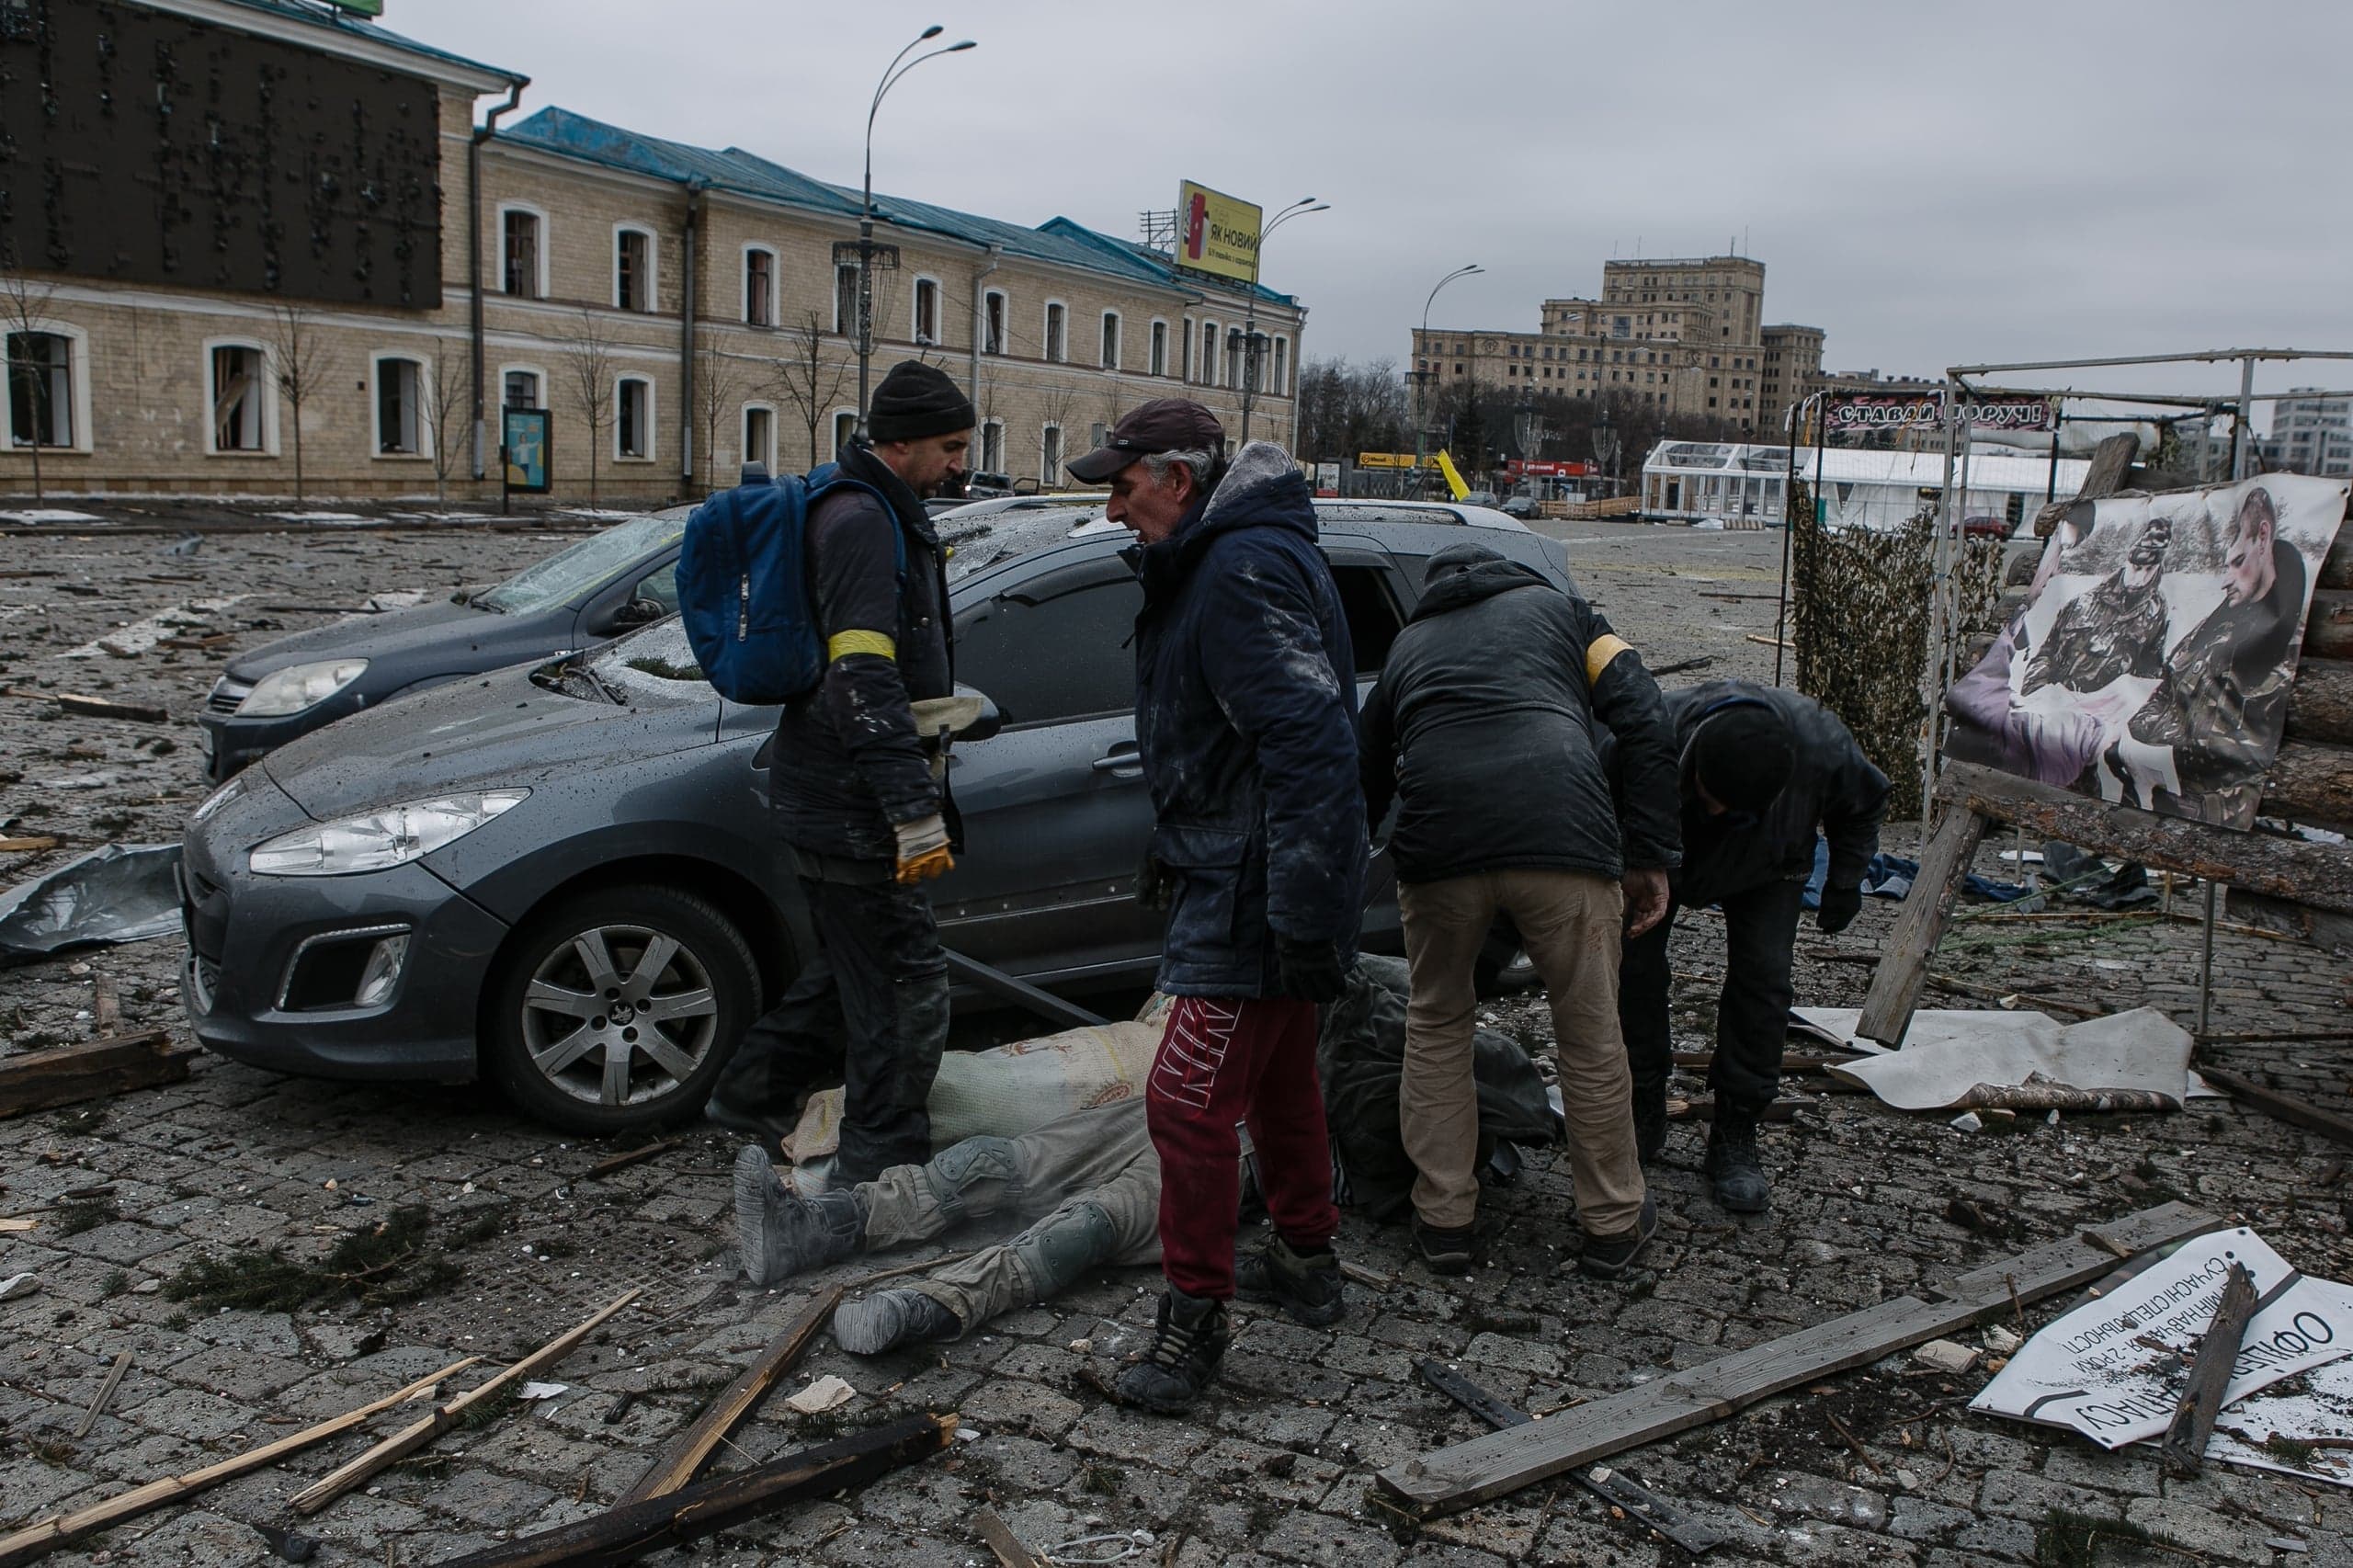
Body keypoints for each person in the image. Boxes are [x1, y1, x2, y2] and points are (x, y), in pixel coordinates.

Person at [1069, 400, 1368, 1414]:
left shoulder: (1237, 570)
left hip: (1254, 884)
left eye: (1122, 486)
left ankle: (1193, 1324)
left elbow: (1310, 741)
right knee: (1282, 1080)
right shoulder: (1224, 558)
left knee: (1186, 1104)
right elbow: (1238, 742)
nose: (1113, 508)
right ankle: (1307, 1256)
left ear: (1177, 480)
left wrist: (1302, 906)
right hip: (1238, 864)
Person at [1357, 542, 1679, 1279]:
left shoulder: (1408, 646)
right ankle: (1612, 1225)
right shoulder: (1569, 617)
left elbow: (1364, 767)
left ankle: (1444, 1222)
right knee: (1591, 1032)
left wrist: (1354, 873)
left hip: (1439, 852)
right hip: (1563, 843)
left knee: (1436, 1022)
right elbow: (1647, 717)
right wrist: (1651, 853)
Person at [705, 360, 973, 1187]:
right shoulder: (862, 522)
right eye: (949, 447)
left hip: (830, 793)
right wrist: (908, 806)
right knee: (906, 984)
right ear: (899, 444)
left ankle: (749, 1098)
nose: (961, 463)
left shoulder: (872, 508)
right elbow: (860, 675)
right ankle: (880, 1165)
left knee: (851, 967)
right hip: (854, 804)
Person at [1616, 681, 1888, 1213]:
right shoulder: (1652, 733)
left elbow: (1865, 803)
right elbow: (1597, 800)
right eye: (1710, 801)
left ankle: (1736, 1130)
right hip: (1660, 855)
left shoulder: (1823, 747)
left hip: (1770, 865)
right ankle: (1641, 1102)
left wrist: (1845, 883)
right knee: (1633, 971)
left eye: (1730, 809)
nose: (1716, 814)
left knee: (1763, 985)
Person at [732, 1104, 1159, 1354]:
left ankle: (926, 1309)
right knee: (981, 1164)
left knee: (1079, 1232)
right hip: (1181, 1097)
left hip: (1224, 1145)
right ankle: (801, 1230)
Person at [2112, 487, 2307, 823]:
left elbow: (2250, 752)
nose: (2225, 580)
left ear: (2263, 539)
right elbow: (2170, 684)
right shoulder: (2219, 622)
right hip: (2162, 774)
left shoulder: (2284, 642)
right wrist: (2137, 737)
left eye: (2238, 562)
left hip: (2212, 803)